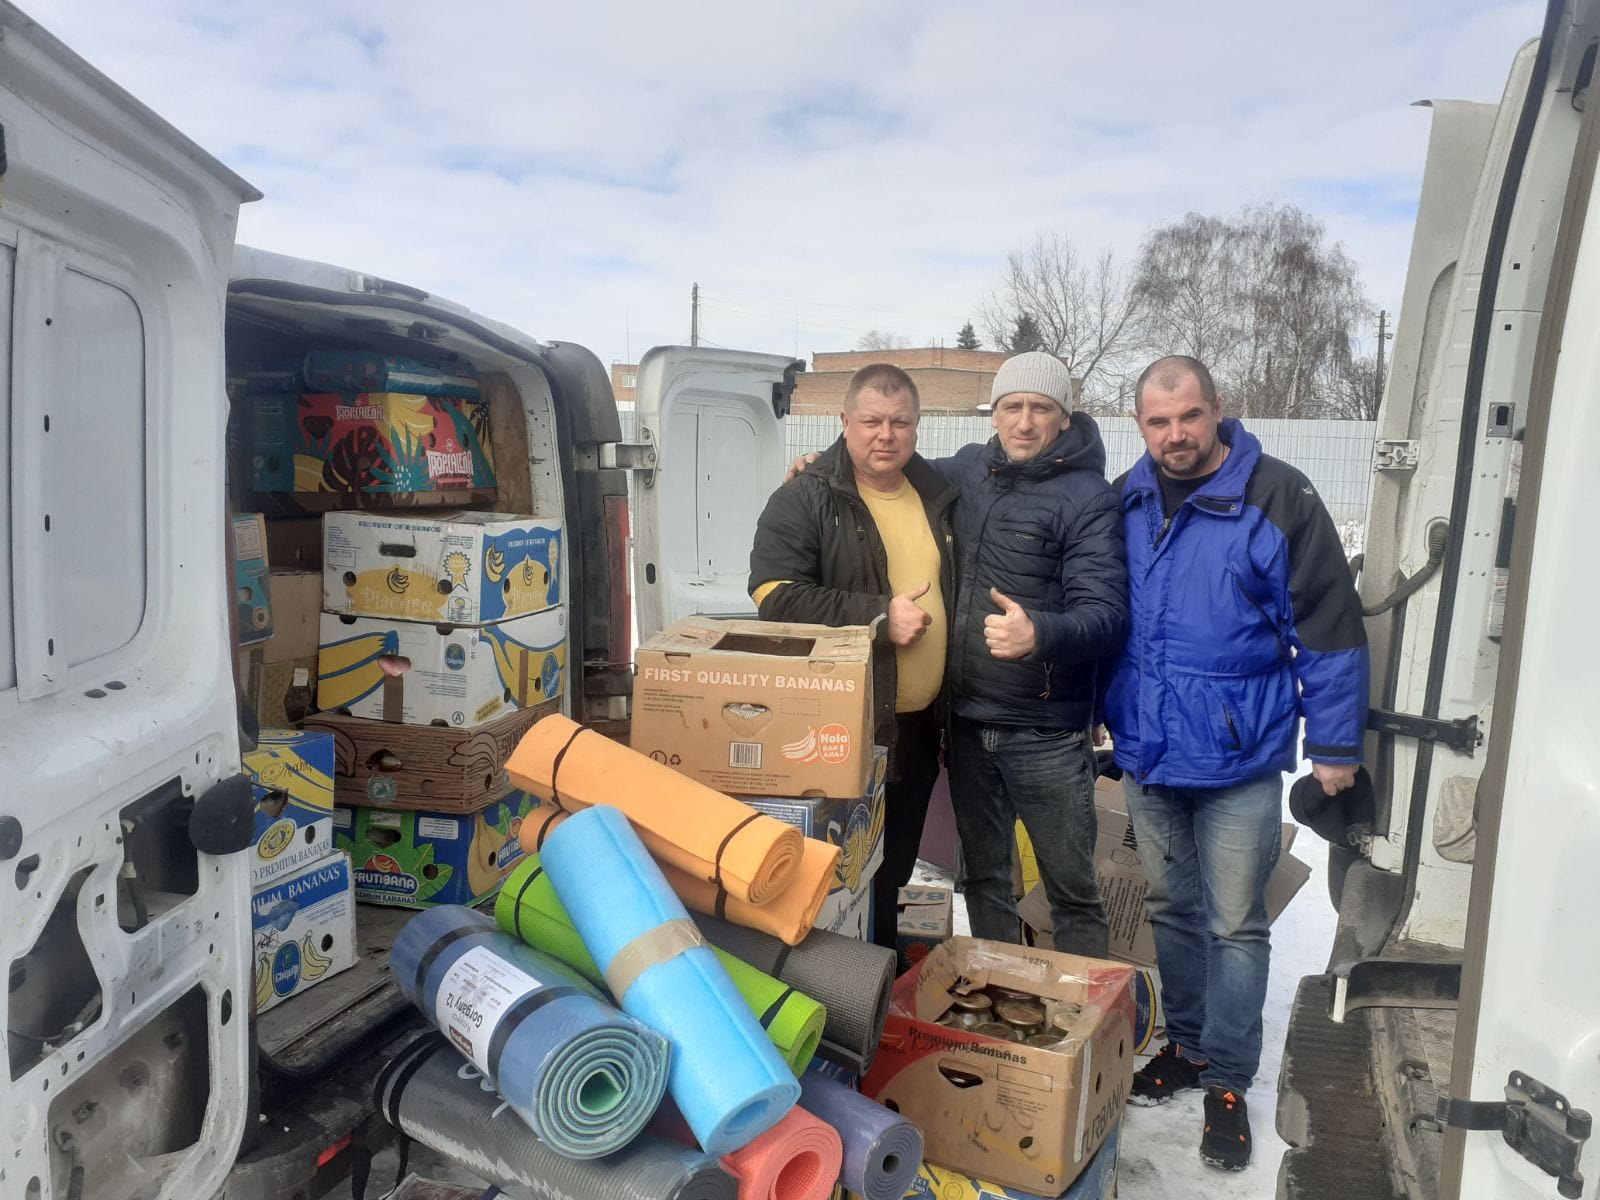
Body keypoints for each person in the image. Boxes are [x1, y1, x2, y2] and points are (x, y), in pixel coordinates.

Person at [1103, 355, 1368, 1171]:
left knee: (1235, 924)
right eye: (1158, 421)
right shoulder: (1129, 499)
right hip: (1149, 753)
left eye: (1188, 416)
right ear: (1140, 426)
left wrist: (1333, 743)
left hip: (1236, 757)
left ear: (1218, 410)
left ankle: (1226, 1079)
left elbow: (1326, 621)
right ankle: (1183, 1045)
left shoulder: (1277, 497)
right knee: (1170, 910)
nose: (1175, 434)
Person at [748, 363, 957, 952]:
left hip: (918, 728)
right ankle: (833, 1001)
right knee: (834, 878)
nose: (884, 435)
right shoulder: (806, 495)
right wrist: (878, 619)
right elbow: (774, 595)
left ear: (917, 426)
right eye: (870, 422)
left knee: (892, 872)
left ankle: (877, 1000)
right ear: (844, 422)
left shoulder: (940, 494)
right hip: (840, 727)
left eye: (899, 422)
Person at [939, 352, 1127, 958]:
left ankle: (1081, 1025)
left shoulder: (1089, 498)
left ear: (1063, 417)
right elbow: (884, 469)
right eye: (1011, 407)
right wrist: (816, 467)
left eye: (1040, 408)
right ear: (993, 414)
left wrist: (1038, 634)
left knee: (1070, 891)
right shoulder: (969, 471)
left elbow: (1106, 616)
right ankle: (1001, 995)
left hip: (1044, 733)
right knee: (985, 879)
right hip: (967, 723)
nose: (1024, 421)